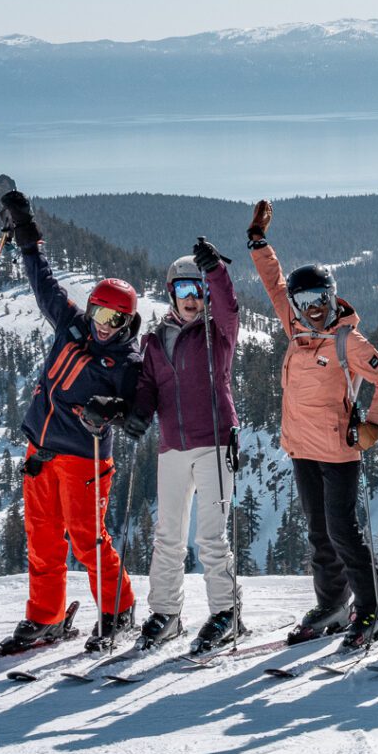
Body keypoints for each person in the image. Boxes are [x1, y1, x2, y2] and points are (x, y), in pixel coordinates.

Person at [0, 189, 142, 656]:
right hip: (40, 452)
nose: (103, 324)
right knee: (41, 541)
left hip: (85, 459)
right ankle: (46, 618)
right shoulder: (73, 326)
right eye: (98, 312)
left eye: (114, 318)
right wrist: (26, 234)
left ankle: (118, 612)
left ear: (128, 322)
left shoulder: (128, 362)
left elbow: (140, 412)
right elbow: (45, 284)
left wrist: (112, 412)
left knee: (87, 541)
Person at [246, 199, 378, 652]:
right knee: (318, 531)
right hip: (301, 448)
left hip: (337, 449)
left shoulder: (349, 339)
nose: (312, 308)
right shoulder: (296, 329)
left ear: (332, 296)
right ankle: (332, 603)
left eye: (319, 300)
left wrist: (372, 424)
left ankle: (374, 605)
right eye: (303, 302)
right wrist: (258, 243)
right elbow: (273, 284)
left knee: (343, 531)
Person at [129, 239, 245, 654]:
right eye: (184, 291)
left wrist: (215, 269)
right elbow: (147, 387)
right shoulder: (156, 341)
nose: (192, 299)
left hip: (214, 442)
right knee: (168, 536)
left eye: (199, 291)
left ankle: (226, 613)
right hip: (173, 446)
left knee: (211, 537)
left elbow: (230, 305)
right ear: (171, 294)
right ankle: (166, 613)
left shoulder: (219, 332)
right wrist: (138, 413)